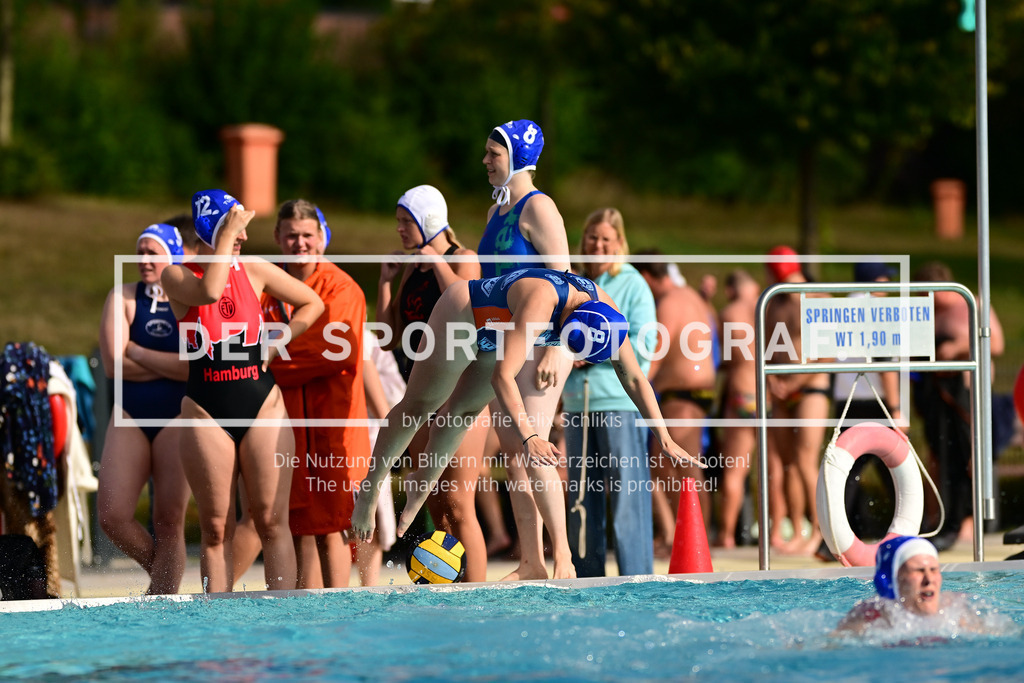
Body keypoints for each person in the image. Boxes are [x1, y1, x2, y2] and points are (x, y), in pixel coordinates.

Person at [350, 268, 703, 546]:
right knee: (421, 405)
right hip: (464, 315)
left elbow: (636, 380)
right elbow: (503, 377)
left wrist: (666, 437)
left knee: (463, 413)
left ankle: (422, 483)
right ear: (570, 319)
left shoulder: (606, 312)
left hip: (500, 331)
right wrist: (530, 436)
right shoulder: (540, 304)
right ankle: (371, 487)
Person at [161, 189, 324, 593]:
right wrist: (225, 234)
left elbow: (312, 303)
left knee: (272, 520)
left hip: (262, 404)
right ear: (213, 230)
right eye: (237, 230)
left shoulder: (255, 269)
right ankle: (219, 631)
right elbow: (210, 293)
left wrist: (279, 338)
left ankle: (282, 623)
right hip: (205, 409)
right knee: (216, 529)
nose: (245, 239)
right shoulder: (176, 274)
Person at [478, 119, 576, 580]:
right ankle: (531, 561)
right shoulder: (498, 210)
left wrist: (560, 346)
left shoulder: (539, 208)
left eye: (493, 153)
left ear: (516, 156)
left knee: (533, 449)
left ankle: (564, 560)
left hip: (541, 344)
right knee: (516, 452)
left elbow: (567, 283)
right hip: (505, 346)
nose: (485, 161)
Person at [375, 184, 489, 582]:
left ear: (428, 221)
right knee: (436, 506)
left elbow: (466, 304)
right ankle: (448, 592)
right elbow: (388, 338)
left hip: (459, 396)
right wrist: (387, 282)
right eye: (399, 223)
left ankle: (476, 597)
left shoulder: (464, 259)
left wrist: (435, 260)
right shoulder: (410, 267)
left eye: (407, 222)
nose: (401, 231)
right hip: (420, 398)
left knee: (459, 505)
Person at [259, 199, 371, 588]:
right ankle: (300, 618)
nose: (299, 243)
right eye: (291, 235)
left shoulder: (343, 287)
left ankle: (340, 610)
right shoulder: (267, 286)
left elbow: (334, 350)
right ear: (277, 237)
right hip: (285, 423)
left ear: (322, 238)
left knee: (335, 524)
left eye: (307, 235)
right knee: (295, 523)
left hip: (333, 422)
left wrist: (266, 358)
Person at [96, 223, 191, 594]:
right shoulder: (122, 296)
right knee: (112, 515)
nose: (144, 260)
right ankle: (165, 582)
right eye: (140, 252)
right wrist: (166, 362)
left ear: (172, 256)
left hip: (178, 416)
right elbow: (111, 366)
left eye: (153, 252)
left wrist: (135, 351)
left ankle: (160, 602)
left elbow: (192, 366)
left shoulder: (189, 299)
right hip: (130, 415)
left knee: (169, 521)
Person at [562, 208, 657, 577]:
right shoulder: (573, 282)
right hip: (576, 405)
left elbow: (643, 346)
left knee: (627, 498)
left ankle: (638, 579)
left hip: (620, 403)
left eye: (605, 239)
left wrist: (592, 354)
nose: (597, 244)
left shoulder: (633, 285)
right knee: (582, 500)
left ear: (619, 243)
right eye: (591, 237)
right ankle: (587, 578)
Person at [911, 261, 1004, 550]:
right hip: (938, 393)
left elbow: (996, 345)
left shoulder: (971, 303)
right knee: (942, 455)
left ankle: (976, 517)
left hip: (966, 391)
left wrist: (956, 349)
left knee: (972, 453)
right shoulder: (930, 313)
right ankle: (945, 517)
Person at [634, 253, 718, 553]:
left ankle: (696, 538)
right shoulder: (690, 295)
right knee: (670, 464)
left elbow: (658, 348)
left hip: (683, 395)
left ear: (645, 277)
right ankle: (685, 534)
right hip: (694, 392)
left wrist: (635, 386)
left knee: (681, 465)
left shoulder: (669, 302)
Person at [763, 245, 830, 555]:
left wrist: (793, 382)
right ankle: (799, 528)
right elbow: (765, 349)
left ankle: (822, 532)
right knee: (789, 464)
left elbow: (827, 355)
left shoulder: (818, 300)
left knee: (806, 462)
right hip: (782, 392)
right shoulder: (773, 303)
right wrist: (773, 381)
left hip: (810, 389)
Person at [834, 536, 991, 634]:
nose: (929, 579)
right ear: (895, 578)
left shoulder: (955, 610)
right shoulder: (871, 616)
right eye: (919, 571)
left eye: (934, 570)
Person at [715, 268, 760, 548]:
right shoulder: (768, 308)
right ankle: (777, 531)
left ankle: (726, 535)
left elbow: (725, 358)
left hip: (742, 396)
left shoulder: (730, 312)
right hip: (767, 398)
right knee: (773, 468)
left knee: (733, 470)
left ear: (731, 290)